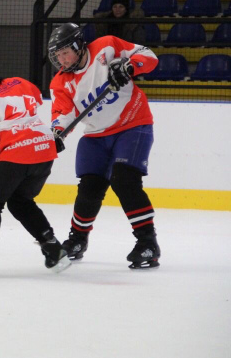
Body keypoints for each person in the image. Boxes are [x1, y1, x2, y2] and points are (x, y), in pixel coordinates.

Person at [48, 23, 161, 269]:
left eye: (65, 52)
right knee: (89, 187)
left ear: (79, 46)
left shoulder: (107, 47)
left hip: (133, 125)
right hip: (96, 135)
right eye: (57, 55)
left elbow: (150, 57)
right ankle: (78, 239)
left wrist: (131, 66)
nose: (61, 59)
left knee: (124, 179)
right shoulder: (61, 82)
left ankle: (148, 243)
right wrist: (57, 132)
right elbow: (63, 113)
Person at [0, 56, 70, 276]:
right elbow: (36, 100)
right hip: (45, 151)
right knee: (20, 201)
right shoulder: (20, 82)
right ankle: (54, 249)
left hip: (17, 155)